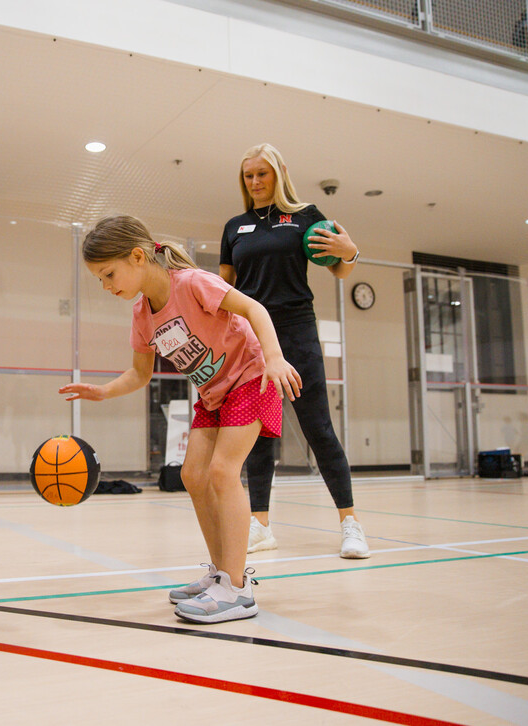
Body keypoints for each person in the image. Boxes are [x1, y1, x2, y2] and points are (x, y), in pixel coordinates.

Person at [59, 215, 301, 624]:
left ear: (138, 256)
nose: (105, 285)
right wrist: (102, 391)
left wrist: (275, 357)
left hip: (251, 378)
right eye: (99, 279)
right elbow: (140, 374)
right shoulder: (142, 315)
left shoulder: (191, 283)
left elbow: (254, 307)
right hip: (213, 395)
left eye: (108, 274)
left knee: (223, 473)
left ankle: (238, 591)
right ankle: (221, 574)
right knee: (193, 475)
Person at [220, 143, 370, 559]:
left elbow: (340, 266)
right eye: (248, 176)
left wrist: (350, 253)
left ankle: (350, 524)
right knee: (258, 435)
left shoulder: (306, 216)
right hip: (251, 339)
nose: (255, 182)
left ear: (279, 172)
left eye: (262, 174)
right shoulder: (235, 226)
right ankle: (260, 525)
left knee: (318, 427)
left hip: (297, 330)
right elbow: (225, 287)